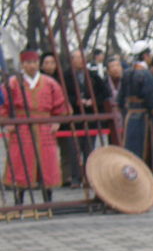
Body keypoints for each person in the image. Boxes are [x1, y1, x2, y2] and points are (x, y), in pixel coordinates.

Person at [2, 48, 68, 203]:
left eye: (34, 62)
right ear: (22, 64)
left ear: (38, 64)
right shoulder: (13, 83)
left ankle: (48, 200)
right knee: (21, 161)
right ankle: (19, 200)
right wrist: (7, 121)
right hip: (21, 127)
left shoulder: (50, 83)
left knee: (47, 162)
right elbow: (3, 104)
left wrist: (56, 121)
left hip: (44, 126)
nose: (32, 65)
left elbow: (60, 104)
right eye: (28, 62)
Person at [117, 40, 153, 194]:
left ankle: (139, 180)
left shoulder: (126, 73)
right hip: (145, 118)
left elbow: (120, 99)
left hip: (130, 117)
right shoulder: (146, 74)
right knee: (152, 149)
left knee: (131, 149)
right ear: (146, 55)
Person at [64, 49, 111, 184]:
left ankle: (88, 176)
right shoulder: (66, 76)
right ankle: (75, 177)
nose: (81, 60)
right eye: (77, 58)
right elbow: (63, 94)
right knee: (74, 149)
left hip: (90, 117)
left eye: (82, 57)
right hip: (74, 117)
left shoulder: (92, 75)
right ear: (72, 60)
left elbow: (105, 92)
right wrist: (76, 101)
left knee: (89, 148)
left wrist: (94, 101)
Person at [106, 57, 125, 140]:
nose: (115, 68)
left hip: (124, 116)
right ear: (108, 71)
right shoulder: (104, 83)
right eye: (112, 66)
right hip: (110, 118)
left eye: (117, 65)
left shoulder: (127, 82)